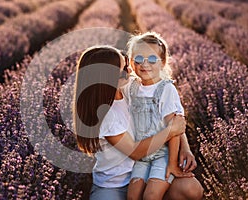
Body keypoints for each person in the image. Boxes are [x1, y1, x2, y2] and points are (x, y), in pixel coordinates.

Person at [72, 45, 189, 200]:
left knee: (190, 189)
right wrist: (170, 131)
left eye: (127, 64)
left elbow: (170, 114)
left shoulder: (127, 87)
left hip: (147, 169)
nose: (130, 71)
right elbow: (134, 152)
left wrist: (185, 148)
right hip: (115, 184)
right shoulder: (105, 114)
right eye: (123, 69)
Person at [122, 31, 203, 200]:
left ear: (163, 62)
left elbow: (174, 129)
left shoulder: (166, 89)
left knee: (151, 196)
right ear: (131, 62)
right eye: (138, 59)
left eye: (152, 59)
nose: (145, 64)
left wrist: (173, 163)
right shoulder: (132, 87)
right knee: (132, 196)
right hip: (142, 155)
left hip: (163, 156)